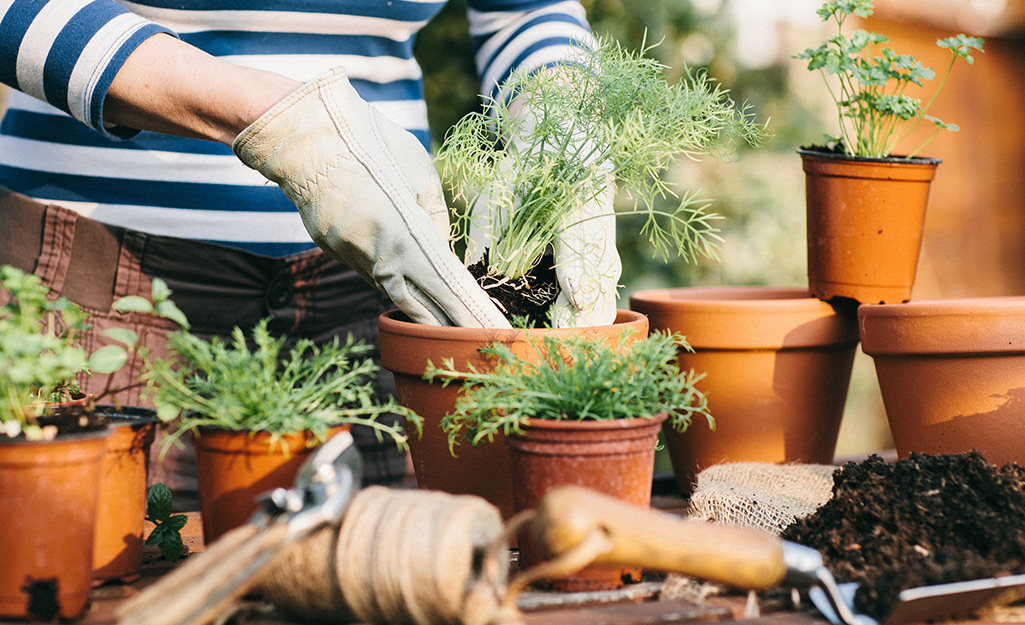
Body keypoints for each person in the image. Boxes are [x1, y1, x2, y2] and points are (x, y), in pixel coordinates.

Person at [0, 0, 620, 508]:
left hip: (379, 292)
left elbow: (521, 11)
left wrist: (558, 116)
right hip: (100, 285)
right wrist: (269, 115)